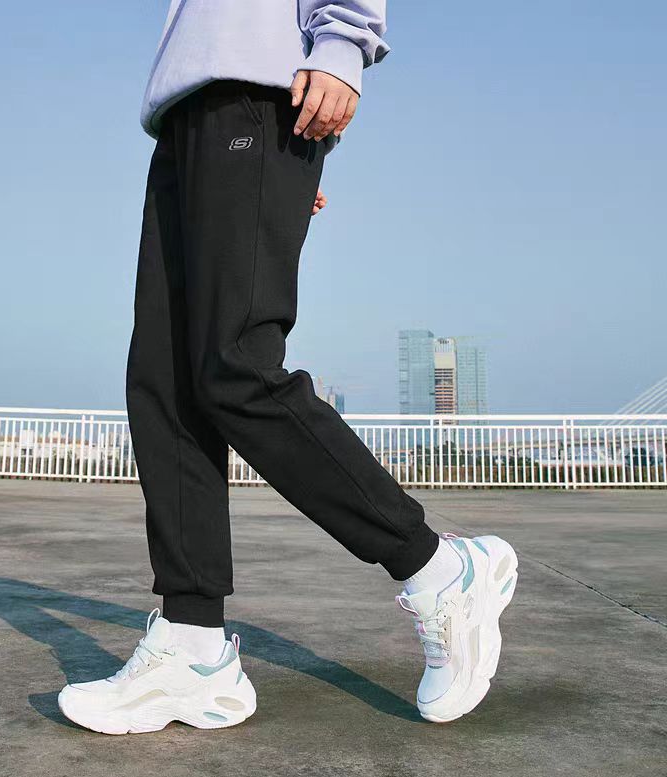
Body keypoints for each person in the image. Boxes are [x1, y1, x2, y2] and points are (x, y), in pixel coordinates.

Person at [58, 0, 518, 733]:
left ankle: (438, 568)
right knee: (164, 383)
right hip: (185, 115)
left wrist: (342, 44)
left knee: (236, 366)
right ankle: (192, 648)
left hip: (260, 92)